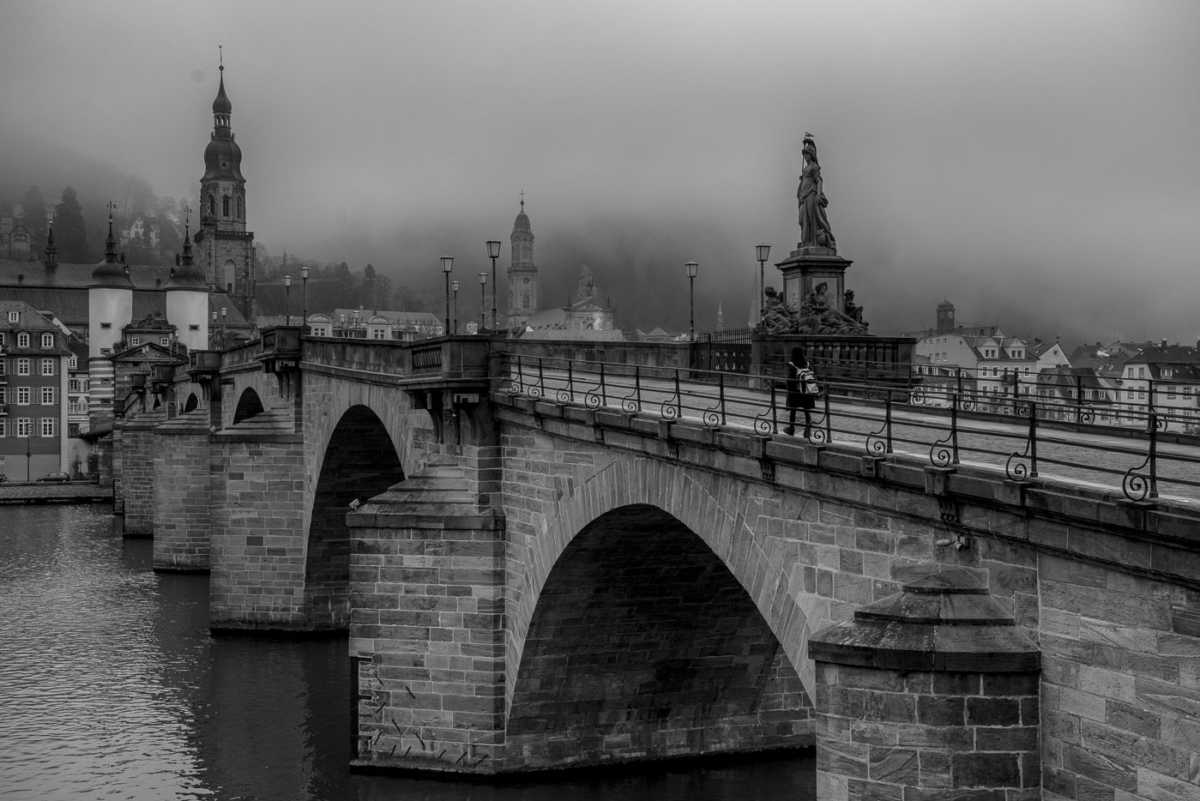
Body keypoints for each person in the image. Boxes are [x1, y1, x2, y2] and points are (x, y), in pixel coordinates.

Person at [784, 347, 818, 438]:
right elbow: (813, 375)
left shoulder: (792, 365)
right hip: (807, 391)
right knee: (807, 411)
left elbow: (790, 380)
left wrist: (789, 390)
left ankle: (791, 428)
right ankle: (807, 430)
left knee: (793, 411)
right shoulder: (807, 364)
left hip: (796, 392)